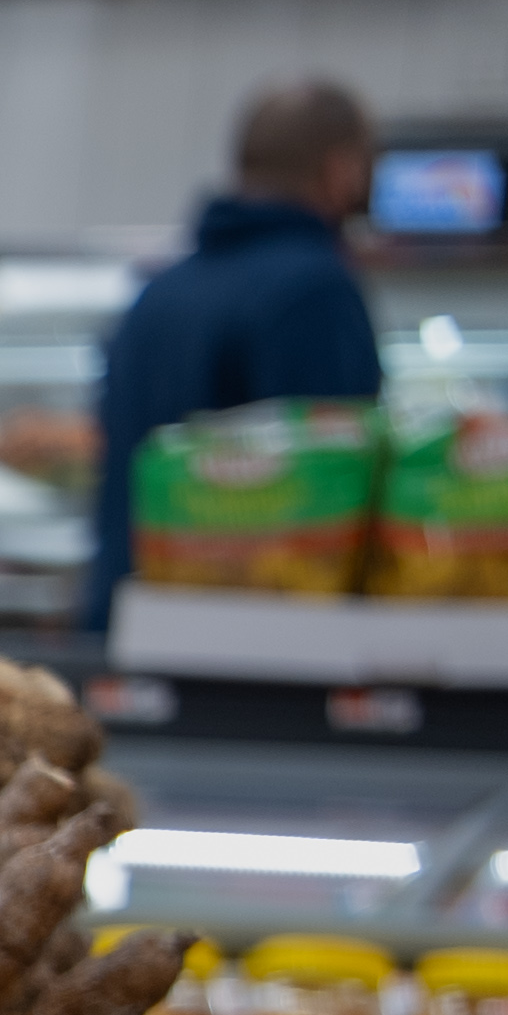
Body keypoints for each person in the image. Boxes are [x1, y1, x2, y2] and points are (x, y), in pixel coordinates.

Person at [87, 76, 382, 632]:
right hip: (253, 644)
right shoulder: (314, 290)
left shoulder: (159, 291)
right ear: (341, 170)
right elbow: (336, 481)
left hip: (130, 621)